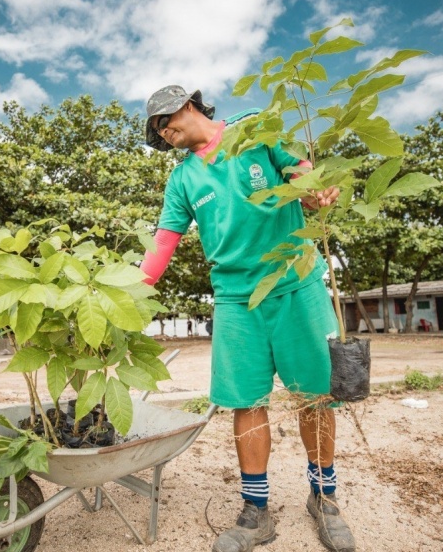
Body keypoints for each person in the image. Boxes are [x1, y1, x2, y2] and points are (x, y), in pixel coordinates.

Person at [140, 85, 354, 552]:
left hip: (296, 283)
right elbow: (163, 243)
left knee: (316, 397)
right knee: (246, 402)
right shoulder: (182, 180)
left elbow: (303, 174)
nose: (163, 132)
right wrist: (130, 290)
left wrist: (316, 191)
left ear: (187, 105)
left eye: (163, 121)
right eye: (157, 130)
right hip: (236, 300)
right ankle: (256, 513)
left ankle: (324, 498)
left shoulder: (255, 130)